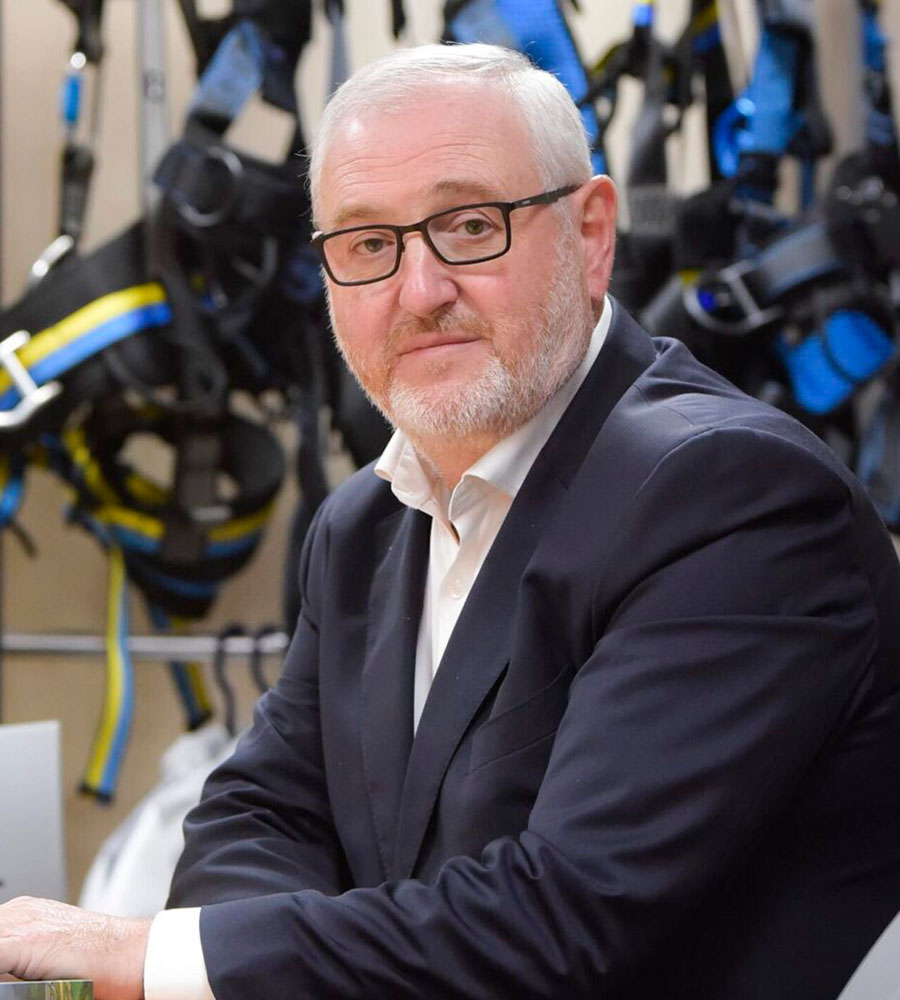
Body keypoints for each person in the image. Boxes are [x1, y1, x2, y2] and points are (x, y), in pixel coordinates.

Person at [3, 41, 900, 1000]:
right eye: (366, 245)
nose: (419, 292)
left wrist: (152, 957)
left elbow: (565, 926)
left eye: (471, 227)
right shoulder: (365, 523)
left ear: (593, 234)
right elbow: (263, 814)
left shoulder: (731, 496)